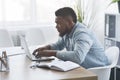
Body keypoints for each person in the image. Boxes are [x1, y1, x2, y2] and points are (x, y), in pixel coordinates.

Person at [33, 7, 109, 68]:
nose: (56, 27)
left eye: (59, 23)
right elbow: (59, 45)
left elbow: (78, 57)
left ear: (69, 22)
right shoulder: (67, 32)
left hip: (96, 71)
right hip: (82, 69)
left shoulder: (81, 33)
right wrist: (47, 47)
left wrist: (52, 53)